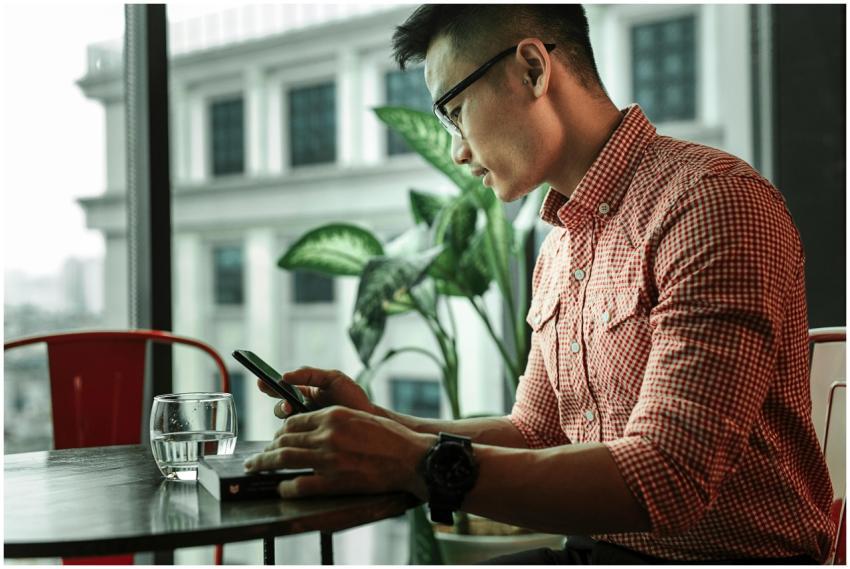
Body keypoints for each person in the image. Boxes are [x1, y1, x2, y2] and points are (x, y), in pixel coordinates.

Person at [244, 5, 835, 564]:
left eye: (453, 109)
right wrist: (386, 426)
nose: (455, 150)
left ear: (532, 69)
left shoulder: (712, 203)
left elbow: (672, 475)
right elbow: (534, 431)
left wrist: (412, 461)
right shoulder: (558, 250)